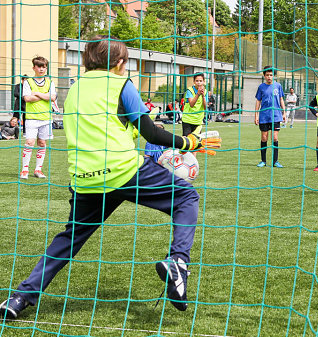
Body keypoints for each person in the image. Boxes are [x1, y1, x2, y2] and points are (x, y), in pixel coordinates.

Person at [0, 35, 204, 319]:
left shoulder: (75, 88)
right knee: (186, 196)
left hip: (85, 177)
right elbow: (152, 134)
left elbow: (113, 127)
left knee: (69, 240)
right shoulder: (122, 84)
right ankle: (178, 262)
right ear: (120, 62)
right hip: (123, 170)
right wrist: (190, 142)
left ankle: (19, 298)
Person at [20, 56, 57, 179]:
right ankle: (25, 170)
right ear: (34, 68)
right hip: (31, 118)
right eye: (39, 66)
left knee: (42, 143)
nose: (42, 69)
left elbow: (52, 97)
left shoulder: (50, 82)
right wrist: (44, 95)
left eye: (44, 67)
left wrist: (36, 93)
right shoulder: (28, 82)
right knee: (29, 142)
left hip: (46, 118)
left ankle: (38, 170)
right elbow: (27, 98)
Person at [254, 66, 286, 168]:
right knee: (264, 137)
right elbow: (258, 101)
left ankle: (275, 161)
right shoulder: (261, 87)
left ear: (274, 76)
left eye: (271, 75)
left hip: (276, 115)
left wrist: (284, 113)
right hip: (264, 116)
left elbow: (281, 99)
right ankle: (263, 161)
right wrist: (256, 115)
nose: (269, 77)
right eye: (267, 75)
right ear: (264, 75)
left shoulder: (278, 86)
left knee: (275, 137)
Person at [182, 73, 207, 137]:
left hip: (198, 121)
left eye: (200, 81)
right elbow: (191, 104)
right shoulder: (190, 90)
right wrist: (198, 94)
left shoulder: (205, 91)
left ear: (204, 82)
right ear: (194, 82)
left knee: (197, 142)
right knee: (187, 142)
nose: (199, 83)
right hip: (188, 120)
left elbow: (205, 107)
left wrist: (203, 96)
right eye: (197, 81)